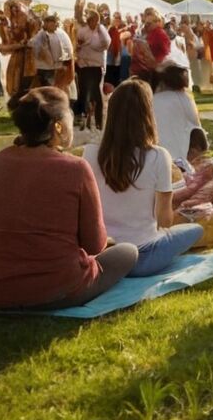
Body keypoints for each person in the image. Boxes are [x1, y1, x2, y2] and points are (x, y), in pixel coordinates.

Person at [0, 87, 138, 309]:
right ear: (58, 125)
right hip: (59, 288)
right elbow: (95, 244)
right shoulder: (75, 168)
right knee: (128, 251)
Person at [84, 79, 205, 276]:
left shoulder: (90, 153)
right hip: (143, 258)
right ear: (147, 115)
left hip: (104, 254)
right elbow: (164, 221)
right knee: (195, 230)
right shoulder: (158, 156)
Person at [152, 63, 203, 163]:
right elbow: (197, 127)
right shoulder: (184, 98)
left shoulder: (153, 99)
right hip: (179, 157)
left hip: (157, 157)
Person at [31, 13, 73, 88]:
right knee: (48, 89)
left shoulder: (59, 34)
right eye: (52, 24)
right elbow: (34, 47)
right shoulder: (41, 34)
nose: (55, 26)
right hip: (45, 68)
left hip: (56, 67)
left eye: (55, 24)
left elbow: (66, 49)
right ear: (46, 24)